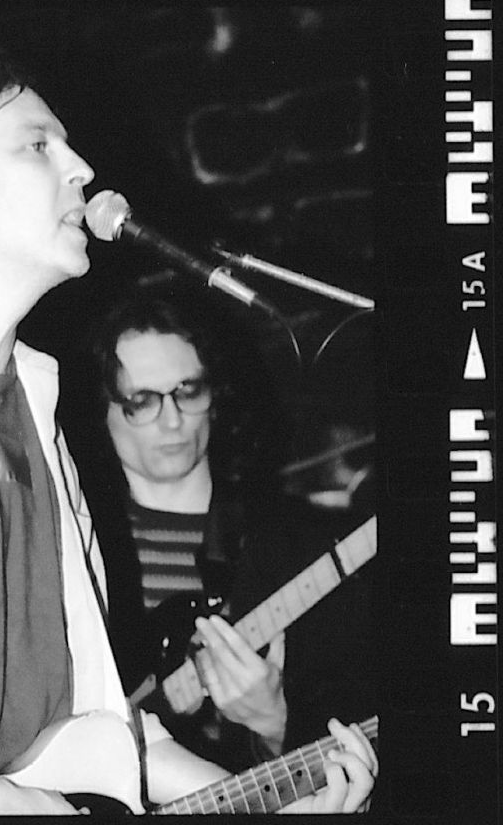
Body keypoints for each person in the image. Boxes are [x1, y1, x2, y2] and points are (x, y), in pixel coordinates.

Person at [0, 46, 377, 816]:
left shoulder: (39, 412)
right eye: (38, 145)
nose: (82, 168)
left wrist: (268, 800)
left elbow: (95, 729)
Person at [68, 281, 376, 774]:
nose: (172, 421)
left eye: (187, 391)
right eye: (141, 401)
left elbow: (365, 744)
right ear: (102, 412)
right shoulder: (74, 546)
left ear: (215, 395)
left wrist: (275, 723)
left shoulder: (296, 546)